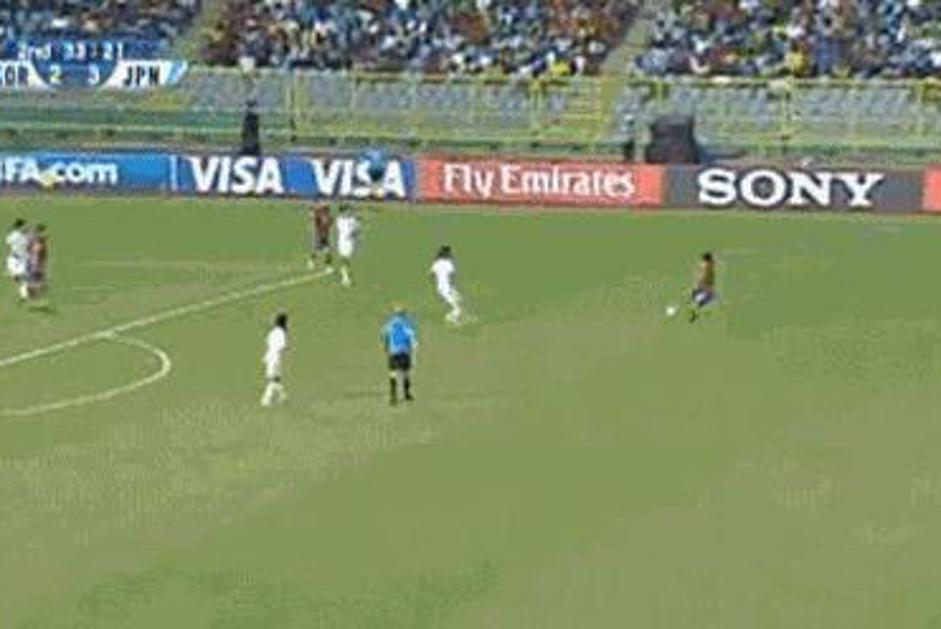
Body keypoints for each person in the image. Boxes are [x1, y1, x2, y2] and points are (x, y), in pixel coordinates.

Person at [381, 306, 418, 405]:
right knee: (406, 374)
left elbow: (383, 334)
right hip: (404, 352)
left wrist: (385, 346)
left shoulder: (390, 325)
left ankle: (393, 397)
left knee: (392, 374)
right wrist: (413, 351)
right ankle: (406, 395)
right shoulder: (407, 325)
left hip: (393, 352)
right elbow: (412, 339)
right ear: (404, 314)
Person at [261, 313, 288, 407]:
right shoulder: (282, 333)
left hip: (269, 357)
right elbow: (282, 346)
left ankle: (281, 396)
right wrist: (287, 348)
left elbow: (267, 342)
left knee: (275, 379)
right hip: (275, 358)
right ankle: (266, 399)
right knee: (273, 379)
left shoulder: (272, 332)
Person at [430, 245, 463, 324]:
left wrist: (436, 283)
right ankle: (449, 319)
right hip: (448, 288)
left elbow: (432, 275)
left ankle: (455, 318)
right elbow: (452, 276)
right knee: (458, 308)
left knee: (459, 301)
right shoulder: (449, 264)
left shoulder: (436, 263)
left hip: (441, 288)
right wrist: (452, 288)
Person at [335, 204, 360, 287]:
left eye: (349, 210)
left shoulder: (353, 220)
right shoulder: (339, 220)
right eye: (347, 210)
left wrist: (355, 235)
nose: (348, 212)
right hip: (342, 242)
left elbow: (357, 230)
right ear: (342, 211)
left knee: (346, 259)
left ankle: (345, 276)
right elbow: (343, 230)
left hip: (350, 242)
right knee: (343, 259)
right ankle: (345, 278)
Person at [689, 252, 717, 322]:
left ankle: (695, 308)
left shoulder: (704, 265)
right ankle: (696, 308)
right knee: (711, 296)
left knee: (707, 297)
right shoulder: (708, 265)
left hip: (702, 285)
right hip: (706, 285)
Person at [5, 219, 29, 298]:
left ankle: (24, 295)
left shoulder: (25, 235)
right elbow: (8, 242)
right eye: (25, 226)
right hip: (14, 259)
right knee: (18, 276)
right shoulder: (15, 235)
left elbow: (8, 241)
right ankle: (15, 276)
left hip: (23, 259)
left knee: (24, 277)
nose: (26, 227)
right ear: (20, 226)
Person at [25, 224, 49, 302]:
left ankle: (33, 292)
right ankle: (33, 291)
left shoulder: (38, 242)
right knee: (38, 279)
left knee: (39, 279)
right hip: (36, 264)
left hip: (35, 263)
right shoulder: (38, 244)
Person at [308, 203, 333, 272]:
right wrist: (315, 209)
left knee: (327, 252)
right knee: (316, 251)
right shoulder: (318, 217)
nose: (327, 211)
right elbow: (313, 215)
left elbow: (329, 226)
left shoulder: (329, 218)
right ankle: (311, 261)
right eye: (326, 209)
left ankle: (328, 266)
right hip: (318, 237)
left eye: (327, 209)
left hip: (325, 237)